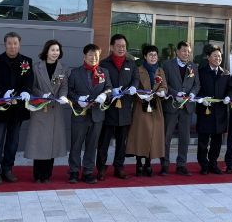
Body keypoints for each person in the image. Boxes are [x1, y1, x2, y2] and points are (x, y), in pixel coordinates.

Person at [0, 32, 34, 185]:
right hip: (0, 107)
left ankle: (7, 168)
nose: (12, 46)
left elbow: (29, 80)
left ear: (19, 44)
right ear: (5, 44)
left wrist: (26, 90)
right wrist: (3, 92)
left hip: (17, 109)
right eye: (9, 43)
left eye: (15, 43)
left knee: (13, 142)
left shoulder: (27, 61)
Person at [25, 40, 70, 183]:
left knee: (52, 143)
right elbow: (32, 86)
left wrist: (63, 96)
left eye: (57, 50)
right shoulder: (36, 67)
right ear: (46, 51)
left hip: (55, 110)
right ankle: (38, 175)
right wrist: (41, 94)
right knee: (39, 143)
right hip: (40, 109)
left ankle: (47, 175)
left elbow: (64, 86)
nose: (55, 53)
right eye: (52, 50)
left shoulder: (63, 68)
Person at [96, 34, 139, 180]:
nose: (121, 49)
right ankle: (101, 167)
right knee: (104, 141)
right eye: (118, 46)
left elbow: (136, 78)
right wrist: (110, 91)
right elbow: (100, 82)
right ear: (111, 47)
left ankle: (119, 167)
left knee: (122, 141)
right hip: (108, 107)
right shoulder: (104, 64)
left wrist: (134, 87)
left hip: (125, 106)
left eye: (124, 46)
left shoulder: (131, 63)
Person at [67, 44, 112, 184]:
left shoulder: (104, 72)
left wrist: (104, 95)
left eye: (96, 55)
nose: (94, 58)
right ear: (84, 56)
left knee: (92, 145)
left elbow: (109, 88)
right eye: (91, 55)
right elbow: (69, 92)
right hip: (80, 114)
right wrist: (78, 99)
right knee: (76, 144)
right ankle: (74, 171)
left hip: (97, 115)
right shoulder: (75, 73)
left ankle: (88, 172)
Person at [126, 45, 167, 177]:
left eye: (155, 55)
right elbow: (134, 87)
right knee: (141, 135)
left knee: (153, 136)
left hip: (155, 106)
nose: (153, 57)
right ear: (145, 56)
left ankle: (148, 163)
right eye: (150, 55)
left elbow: (164, 86)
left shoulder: (160, 70)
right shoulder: (138, 70)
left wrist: (162, 92)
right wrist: (141, 95)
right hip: (141, 106)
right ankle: (139, 162)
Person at [161, 41, 200, 176]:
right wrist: (175, 93)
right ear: (177, 51)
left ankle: (181, 165)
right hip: (171, 105)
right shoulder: (167, 65)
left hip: (187, 107)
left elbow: (197, 84)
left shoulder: (193, 66)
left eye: (188, 51)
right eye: (184, 51)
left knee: (185, 137)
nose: (186, 53)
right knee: (166, 136)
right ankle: (165, 165)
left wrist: (193, 94)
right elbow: (164, 84)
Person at [195, 45, 231, 175]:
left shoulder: (225, 73)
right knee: (203, 141)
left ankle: (213, 163)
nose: (218, 58)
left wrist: (228, 96)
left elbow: (230, 89)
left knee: (217, 141)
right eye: (215, 56)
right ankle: (203, 164)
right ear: (208, 57)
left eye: (219, 56)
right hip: (205, 111)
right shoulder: (201, 72)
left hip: (220, 112)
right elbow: (196, 88)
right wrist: (201, 98)